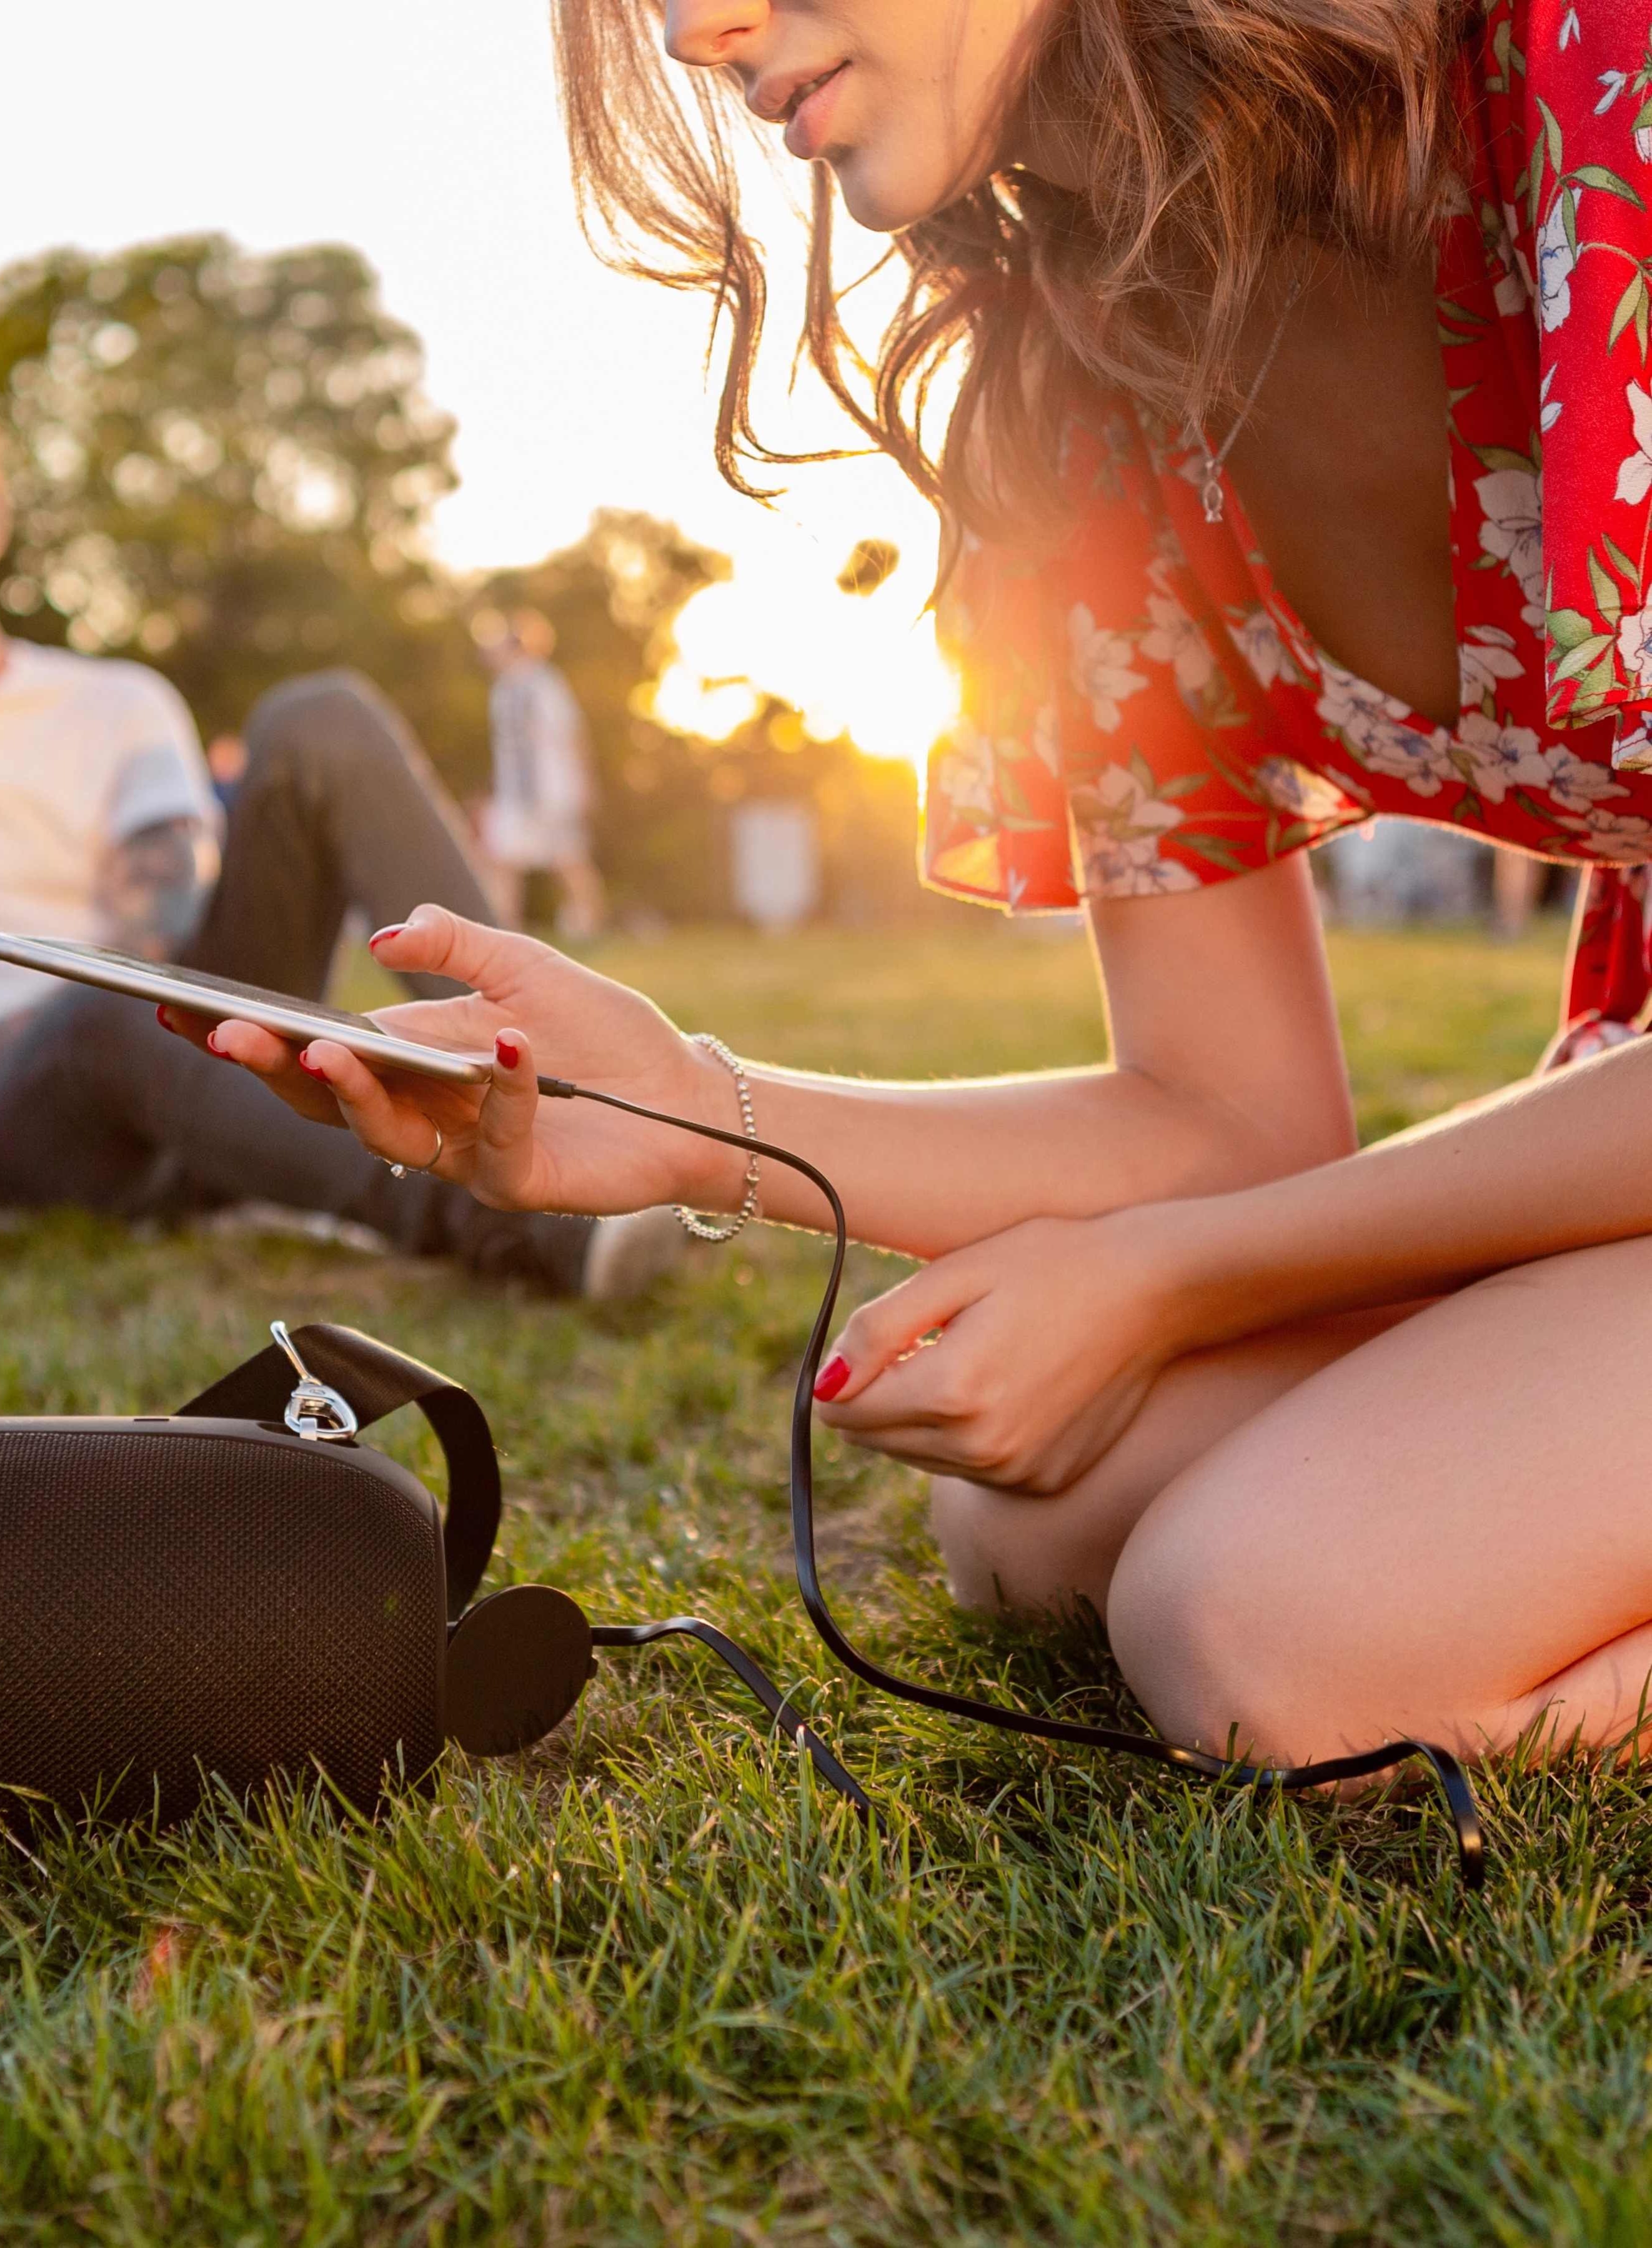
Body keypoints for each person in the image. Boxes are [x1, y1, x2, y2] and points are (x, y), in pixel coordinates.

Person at [194, 0, 1652, 1779]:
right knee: (1035, 1520)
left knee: (1265, 1632)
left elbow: (1223, 1211)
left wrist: (1177, 1274)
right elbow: (1228, 1112)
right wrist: (684, 1112)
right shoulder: (1092, 390)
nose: (696, 30)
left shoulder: (1592, 97)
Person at [0, 394, 676, 1298]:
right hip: (27, 1135)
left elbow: (153, 952)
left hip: (174, 1045)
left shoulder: (115, 704)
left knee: (319, 719)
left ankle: (570, 1103)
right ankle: (519, 1222)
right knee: (96, 1013)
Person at [474, 609, 605, 937]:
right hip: (514, 796)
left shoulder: (544, 684)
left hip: (551, 791)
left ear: (515, 646)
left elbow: (573, 734)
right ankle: (503, 931)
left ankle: (591, 927)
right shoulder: (502, 691)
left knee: (568, 861)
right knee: (502, 861)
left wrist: (586, 784)